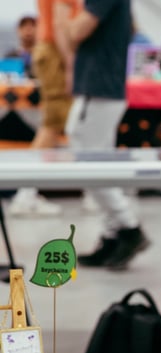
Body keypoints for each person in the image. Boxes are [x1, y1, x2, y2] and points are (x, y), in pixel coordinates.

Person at [65, 0, 150, 270]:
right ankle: (113, 232)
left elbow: (75, 32)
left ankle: (127, 225)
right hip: (102, 85)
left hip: (99, 87)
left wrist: (60, 13)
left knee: (88, 160)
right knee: (95, 159)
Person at [8, 3, 80, 218]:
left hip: (54, 49)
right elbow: (60, 20)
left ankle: (27, 193)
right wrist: (70, 65)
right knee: (52, 125)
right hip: (55, 50)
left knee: (61, 125)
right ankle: (25, 194)